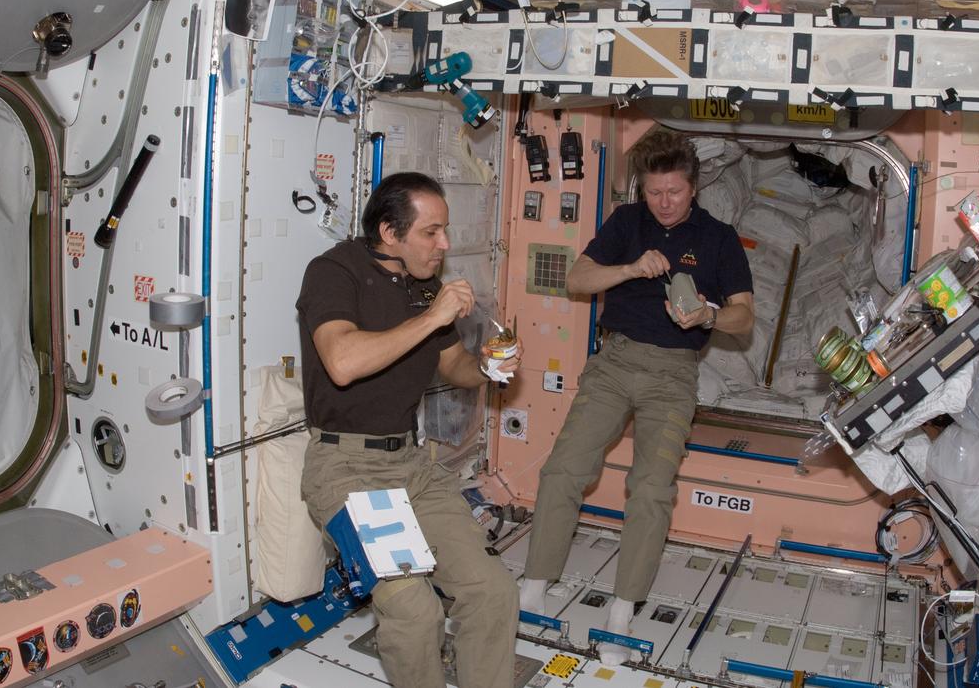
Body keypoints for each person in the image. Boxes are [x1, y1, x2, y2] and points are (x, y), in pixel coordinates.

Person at [518, 130, 754, 665]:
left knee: (650, 488)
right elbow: (579, 279)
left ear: (694, 187)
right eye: (654, 192)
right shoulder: (627, 222)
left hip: (673, 375)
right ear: (642, 189)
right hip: (615, 363)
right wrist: (629, 267)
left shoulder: (719, 238)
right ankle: (534, 586)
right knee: (564, 469)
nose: (664, 202)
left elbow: (744, 318)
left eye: (674, 192)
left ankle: (621, 612)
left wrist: (709, 315)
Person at [296, 171, 521, 688]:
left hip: (411, 468)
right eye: (431, 232)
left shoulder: (424, 286)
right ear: (389, 232)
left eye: (445, 230)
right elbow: (342, 362)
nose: (444, 244)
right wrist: (433, 316)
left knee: (493, 591)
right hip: (349, 472)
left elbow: (454, 365)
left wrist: (488, 366)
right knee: (415, 611)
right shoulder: (333, 272)